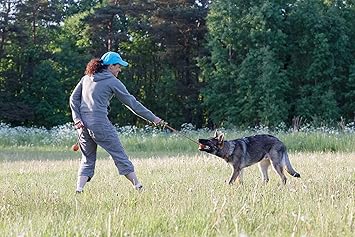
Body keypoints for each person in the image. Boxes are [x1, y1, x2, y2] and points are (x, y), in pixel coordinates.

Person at [69, 51, 165, 193]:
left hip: (82, 126)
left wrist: (77, 119)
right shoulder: (112, 81)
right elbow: (132, 103)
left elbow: (73, 99)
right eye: (118, 66)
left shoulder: (86, 78)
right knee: (119, 155)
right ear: (110, 66)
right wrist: (154, 119)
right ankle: (138, 186)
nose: (119, 70)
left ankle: (79, 189)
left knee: (87, 158)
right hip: (100, 124)